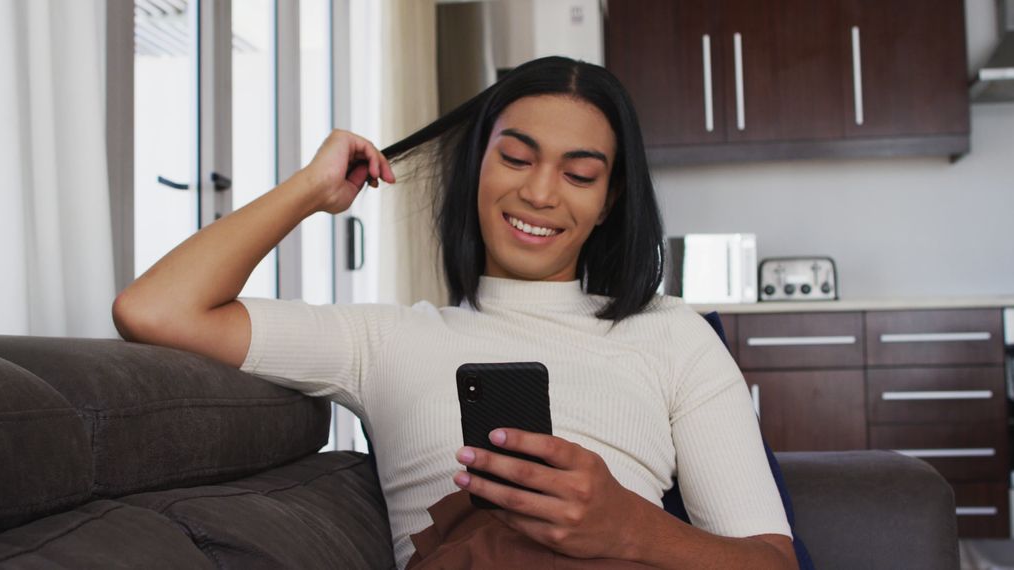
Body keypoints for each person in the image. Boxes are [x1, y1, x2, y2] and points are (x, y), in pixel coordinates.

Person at [113, 56, 797, 569]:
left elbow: (773, 561)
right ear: (477, 168)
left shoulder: (672, 333)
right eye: (516, 158)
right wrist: (309, 190)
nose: (539, 192)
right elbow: (155, 310)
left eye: (579, 174)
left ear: (610, 199)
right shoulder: (383, 340)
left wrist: (630, 527)